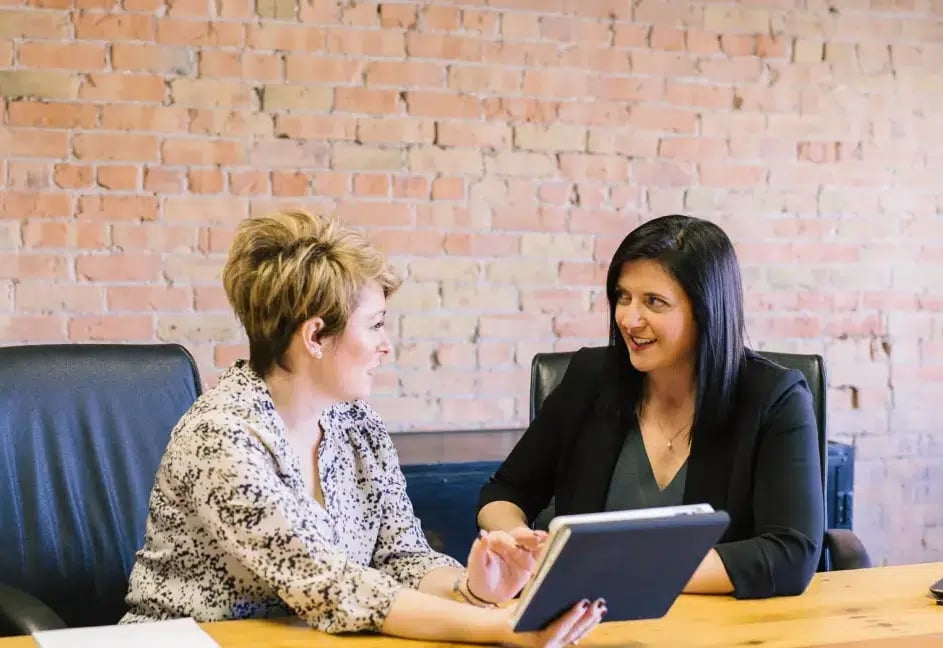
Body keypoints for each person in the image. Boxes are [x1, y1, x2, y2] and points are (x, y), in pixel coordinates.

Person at [121, 210, 605, 646]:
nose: (386, 345)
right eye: (375, 325)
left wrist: (474, 588)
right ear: (315, 336)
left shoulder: (357, 425)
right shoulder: (221, 437)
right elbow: (329, 585)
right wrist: (500, 626)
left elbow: (402, 558)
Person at [477, 214, 825, 600]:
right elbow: (505, 491)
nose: (629, 318)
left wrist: (623, 571)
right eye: (623, 297)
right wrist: (515, 540)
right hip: (587, 623)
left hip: (719, 628)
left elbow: (791, 553)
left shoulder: (774, 398)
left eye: (654, 302)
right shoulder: (590, 379)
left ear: (706, 310)